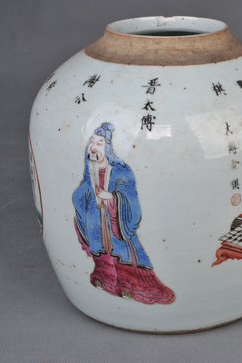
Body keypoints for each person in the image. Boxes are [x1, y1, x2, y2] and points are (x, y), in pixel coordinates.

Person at [72, 122, 175, 304]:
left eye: (99, 143)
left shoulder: (121, 171)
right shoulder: (90, 167)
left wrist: (112, 198)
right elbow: (84, 189)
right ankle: (104, 277)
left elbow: (128, 196)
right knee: (100, 247)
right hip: (96, 217)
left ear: (108, 149)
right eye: (92, 142)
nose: (94, 147)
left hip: (115, 219)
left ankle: (129, 285)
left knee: (121, 251)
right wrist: (84, 194)